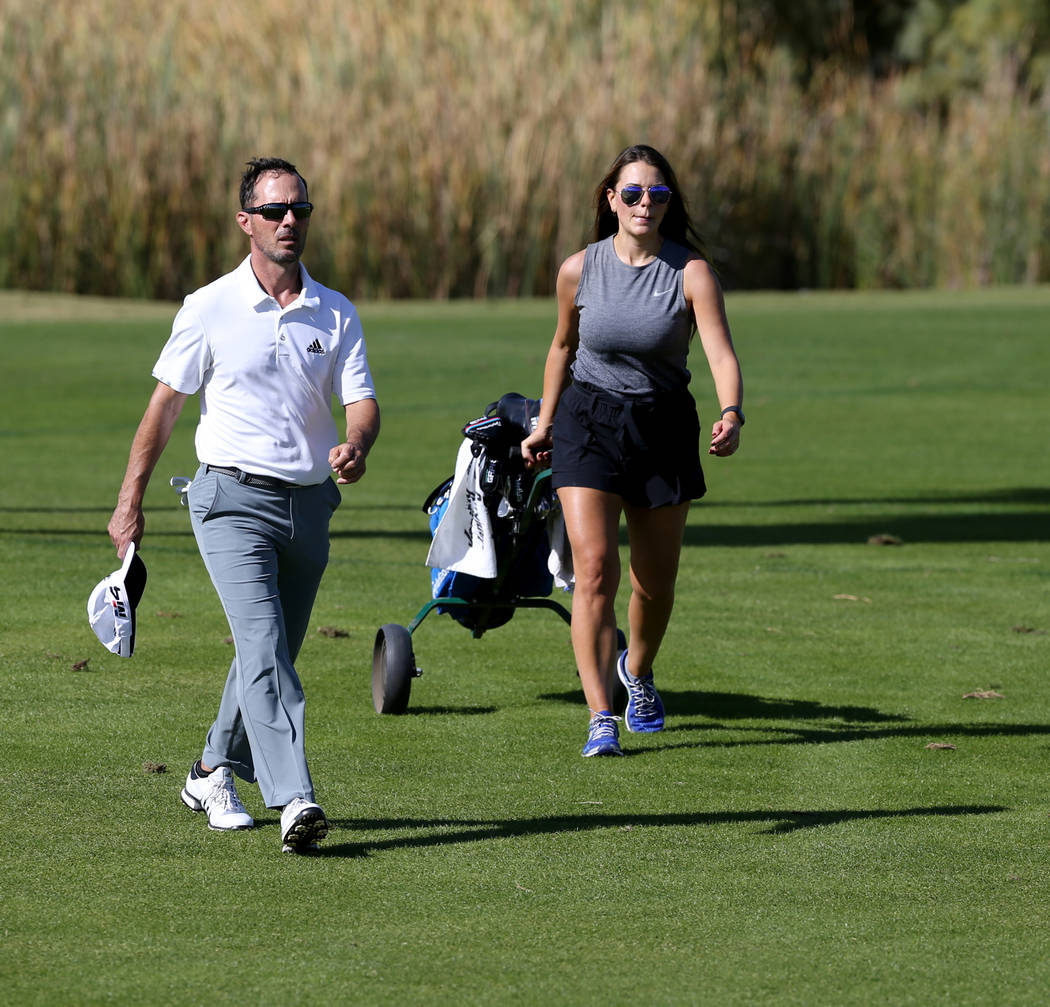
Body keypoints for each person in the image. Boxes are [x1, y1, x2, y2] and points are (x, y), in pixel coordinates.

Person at [106, 157, 380, 852]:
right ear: (245, 222)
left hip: (310, 504)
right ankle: (294, 797)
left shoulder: (335, 310)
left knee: (273, 649)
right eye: (275, 210)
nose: (290, 220)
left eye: (301, 210)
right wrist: (128, 501)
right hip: (228, 499)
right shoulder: (208, 307)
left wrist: (356, 442)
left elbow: (363, 403)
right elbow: (164, 409)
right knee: (262, 643)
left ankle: (208, 770)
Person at [521, 144, 744, 757]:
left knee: (654, 583)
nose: (646, 203)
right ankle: (600, 717)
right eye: (634, 193)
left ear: (671, 204)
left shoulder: (690, 273)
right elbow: (562, 347)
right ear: (610, 199)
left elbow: (720, 352)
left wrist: (732, 412)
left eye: (659, 194)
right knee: (594, 570)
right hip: (587, 421)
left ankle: (637, 672)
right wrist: (544, 422)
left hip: (664, 426)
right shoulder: (579, 269)